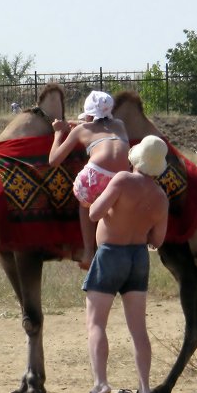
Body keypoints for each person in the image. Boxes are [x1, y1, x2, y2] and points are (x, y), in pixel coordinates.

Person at [79, 135, 170, 393]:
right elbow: (158, 240)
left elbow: (95, 213)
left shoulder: (121, 180)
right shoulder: (161, 197)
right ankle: (144, 388)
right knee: (138, 328)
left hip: (110, 254)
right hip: (138, 256)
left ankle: (100, 383)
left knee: (96, 323)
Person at [49, 90, 131, 269]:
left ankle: (88, 251)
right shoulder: (120, 125)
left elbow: (53, 160)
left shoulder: (81, 130)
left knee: (84, 203)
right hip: (123, 179)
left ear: (88, 114)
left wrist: (58, 133)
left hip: (96, 176)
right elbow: (100, 125)